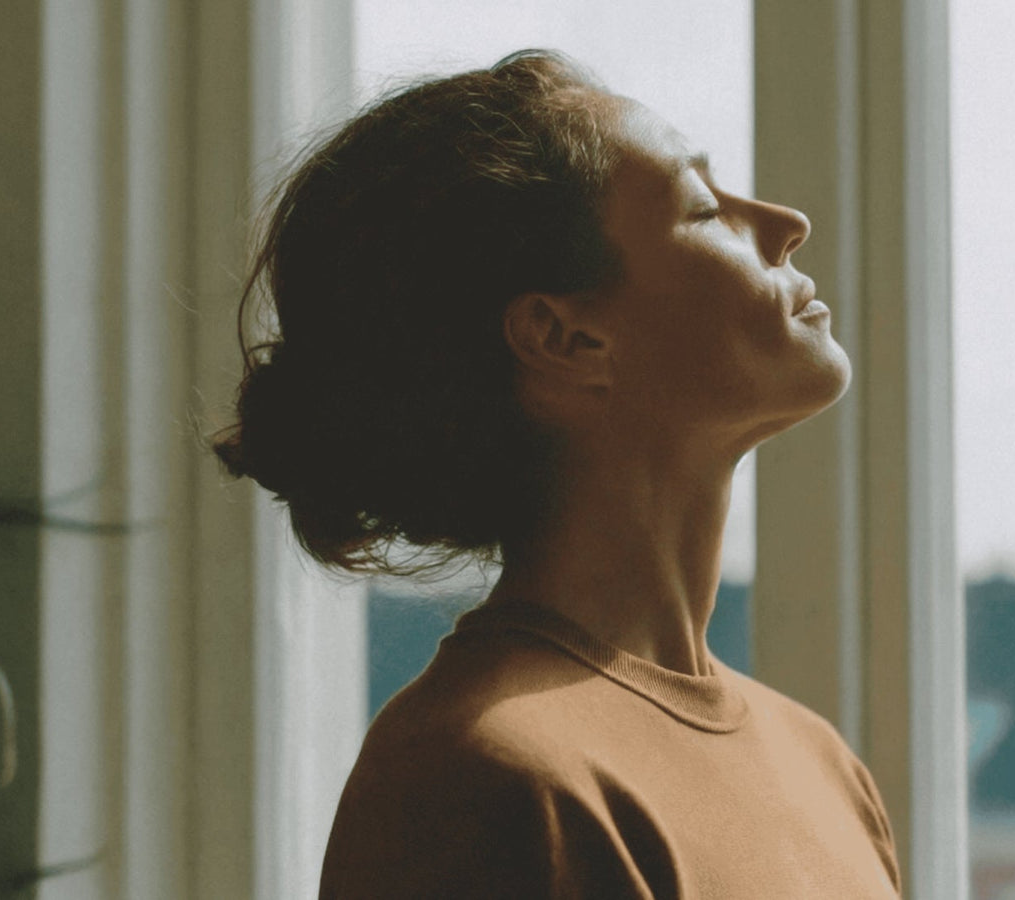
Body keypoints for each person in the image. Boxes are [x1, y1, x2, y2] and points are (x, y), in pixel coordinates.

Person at [214, 48, 901, 899]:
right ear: (564, 337)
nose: (784, 220)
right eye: (700, 207)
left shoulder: (823, 766)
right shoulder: (482, 782)